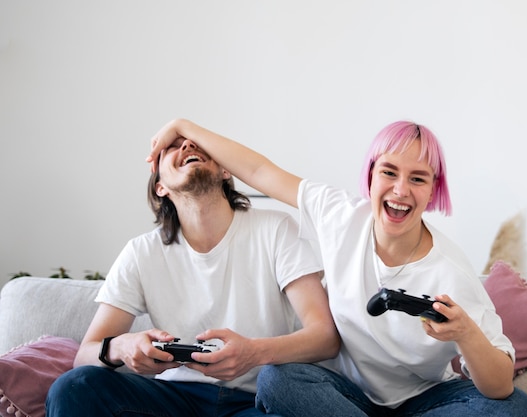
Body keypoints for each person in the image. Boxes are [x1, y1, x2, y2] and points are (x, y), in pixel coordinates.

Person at [147, 119, 527, 417]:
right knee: (277, 380)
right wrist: (183, 126)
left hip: (424, 400)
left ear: (433, 191)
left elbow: (499, 386)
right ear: (370, 176)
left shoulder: (451, 271)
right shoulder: (339, 215)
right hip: (341, 396)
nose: (401, 190)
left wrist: (466, 334)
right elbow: (261, 172)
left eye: (418, 179)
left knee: (517, 408)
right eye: (389, 172)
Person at [46, 137, 340, 417]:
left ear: (226, 169)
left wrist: (253, 353)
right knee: (74, 387)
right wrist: (122, 347)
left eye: (199, 144)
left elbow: (325, 337)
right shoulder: (141, 251)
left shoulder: (276, 229)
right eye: (173, 146)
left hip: (254, 401)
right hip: (172, 397)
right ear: (160, 186)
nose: (187, 144)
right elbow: (84, 355)